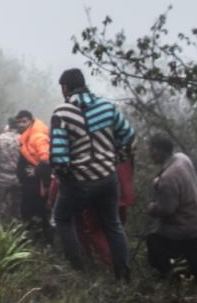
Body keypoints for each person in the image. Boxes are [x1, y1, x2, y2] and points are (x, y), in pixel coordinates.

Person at [49, 68, 134, 281]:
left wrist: (66, 179)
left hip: (79, 181)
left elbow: (59, 157)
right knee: (112, 224)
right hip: (107, 178)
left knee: (62, 217)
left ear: (65, 88)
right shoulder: (107, 107)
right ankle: (123, 275)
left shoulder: (62, 113)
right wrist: (116, 158)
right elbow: (128, 137)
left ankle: (78, 268)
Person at [146, 133, 197, 282]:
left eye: (151, 149)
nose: (149, 152)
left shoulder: (168, 177)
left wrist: (152, 208)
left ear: (159, 151)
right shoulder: (182, 158)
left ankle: (170, 278)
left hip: (187, 228)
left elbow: (167, 210)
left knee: (154, 241)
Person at [14, 109, 51, 241]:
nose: (21, 124)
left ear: (31, 121)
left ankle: (43, 241)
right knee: (29, 211)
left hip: (36, 183)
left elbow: (46, 160)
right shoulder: (26, 136)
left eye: (24, 121)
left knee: (39, 212)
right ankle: (33, 239)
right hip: (28, 183)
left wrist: (37, 172)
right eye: (18, 122)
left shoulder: (37, 136)